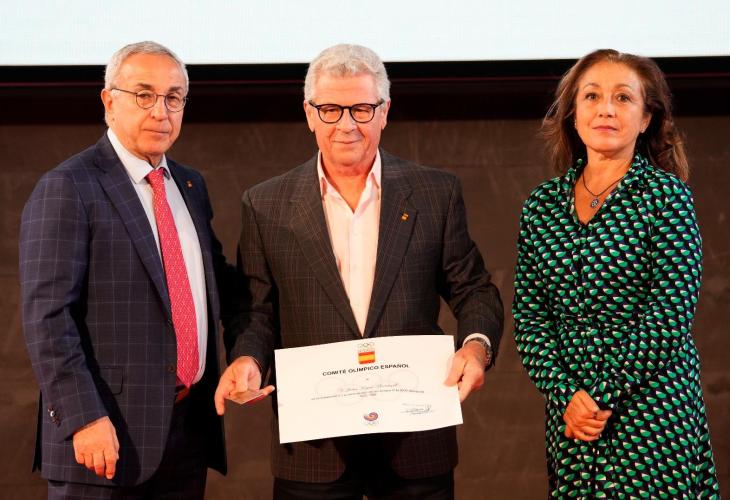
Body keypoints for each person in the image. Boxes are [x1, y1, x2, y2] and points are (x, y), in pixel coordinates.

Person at [215, 43, 503, 499]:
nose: (346, 124)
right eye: (330, 109)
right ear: (309, 114)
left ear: (384, 112)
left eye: (362, 109)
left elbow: (474, 290)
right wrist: (247, 359)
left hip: (414, 439)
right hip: (314, 446)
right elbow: (256, 310)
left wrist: (476, 347)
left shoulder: (435, 192)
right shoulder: (266, 203)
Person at [19, 41, 234, 499]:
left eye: (173, 98)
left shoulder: (190, 185)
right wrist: (84, 418)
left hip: (186, 433)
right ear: (108, 100)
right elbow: (48, 319)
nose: (160, 111)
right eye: (144, 94)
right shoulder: (68, 186)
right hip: (103, 439)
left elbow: (217, 285)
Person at [513, 49, 720, 498]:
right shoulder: (541, 206)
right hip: (573, 417)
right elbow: (530, 320)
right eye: (592, 96)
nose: (606, 108)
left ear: (645, 119)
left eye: (623, 97)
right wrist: (567, 395)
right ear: (573, 114)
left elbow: (669, 315)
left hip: (651, 410)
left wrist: (600, 395)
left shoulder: (666, 198)